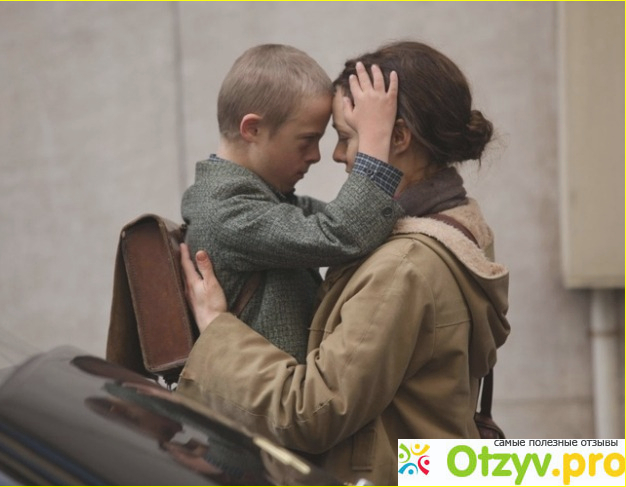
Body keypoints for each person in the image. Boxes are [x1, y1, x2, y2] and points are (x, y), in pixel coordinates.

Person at [176, 41, 511, 485]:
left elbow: (312, 412)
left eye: (347, 137)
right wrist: (582, 467)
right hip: (427, 472)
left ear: (397, 138)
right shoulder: (453, 226)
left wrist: (217, 330)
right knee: (590, 467)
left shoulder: (404, 265)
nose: (332, 155)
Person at [181, 44, 404, 363]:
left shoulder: (258, 198)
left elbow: (349, 220)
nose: (316, 155)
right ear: (253, 129)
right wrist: (374, 140)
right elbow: (341, 233)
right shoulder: (226, 211)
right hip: (260, 394)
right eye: (307, 140)